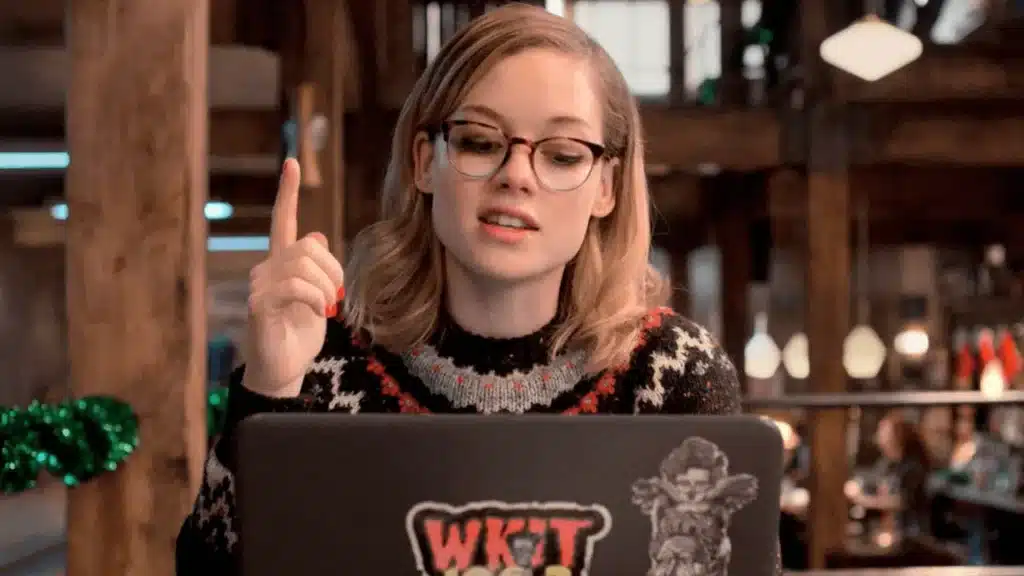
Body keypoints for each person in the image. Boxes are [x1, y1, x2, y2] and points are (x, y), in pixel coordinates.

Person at [176, 5, 750, 573]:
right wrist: (269, 391)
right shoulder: (321, 363)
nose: (516, 176)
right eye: (479, 142)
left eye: (562, 154)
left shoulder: (673, 372)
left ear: (607, 188)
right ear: (425, 162)